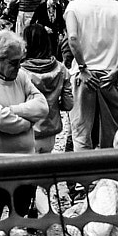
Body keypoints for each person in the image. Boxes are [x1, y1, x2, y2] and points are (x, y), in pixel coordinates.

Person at [64, 0, 118, 150]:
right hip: (108, 75)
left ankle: (83, 177)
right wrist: (117, 69)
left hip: (83, 75)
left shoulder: (74, 7)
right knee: (110, 134)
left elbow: (72, 38)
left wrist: (83, 67)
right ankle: (107, 175)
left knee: (81, 134)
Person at [20, 22, 71, 154]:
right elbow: (69, 104)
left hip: (27, 131)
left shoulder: (20, 72)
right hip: (50, 130)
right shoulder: (61, 69)